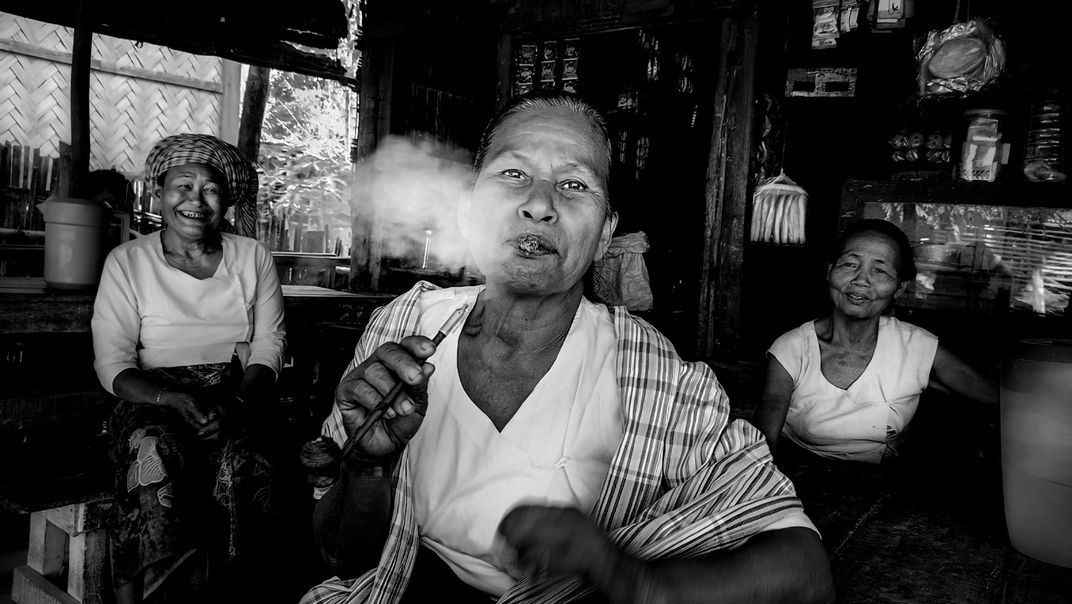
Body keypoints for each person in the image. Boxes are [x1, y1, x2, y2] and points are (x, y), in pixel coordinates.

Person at [304, 92, 833, 604]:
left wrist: (626, 576)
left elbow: (805, 571)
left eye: (574, 184)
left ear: (604, 235)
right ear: (467, 211)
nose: (539, 205)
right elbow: (340, 555)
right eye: (513, 174)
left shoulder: (660, 380)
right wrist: (367, 468)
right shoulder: (406, 324)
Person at [91, 133, 287, 603]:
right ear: (159, 193)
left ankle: (230, 592)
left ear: (226, 201)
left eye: (211, 189)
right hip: (152, 399)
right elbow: (113, 361)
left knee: (251, 458)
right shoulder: (128, 261)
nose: (196, 200)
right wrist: (169, 398)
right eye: (183, 186)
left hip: (233, 395)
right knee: (153, 452)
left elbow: (270, 346)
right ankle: (153, 594)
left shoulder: (252, 257)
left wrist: (236, 404)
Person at [752, 219, 999, 464]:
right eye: (850, 264)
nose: (861, 280)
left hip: (881, 480)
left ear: (899, 288)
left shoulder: (916, 347)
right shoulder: (792, 348)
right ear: (829, 272)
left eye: (879, 270)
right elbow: (764, 442)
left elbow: (996, 400)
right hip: (800, 471)